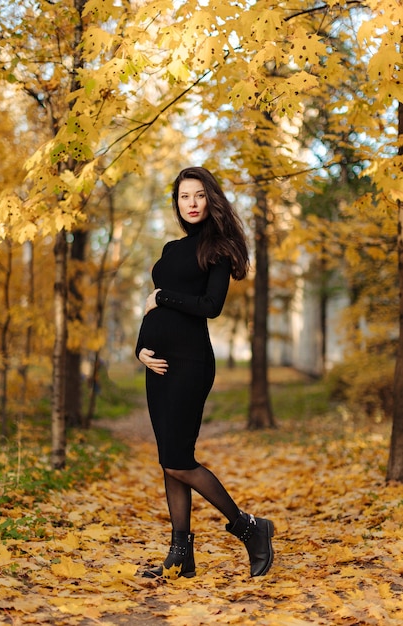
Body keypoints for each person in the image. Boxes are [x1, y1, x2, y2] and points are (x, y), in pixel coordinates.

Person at [135, 166, 274, 579]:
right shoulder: (170, 248)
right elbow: (152, 308)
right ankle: (181, 553)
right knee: (168, 459)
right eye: (183, 197)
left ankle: (250, 528)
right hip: (156, 364)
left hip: (191, 364)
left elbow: (209, 306)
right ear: (176, 203)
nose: (191, 203)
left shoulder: (218, 248)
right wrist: (140, 347)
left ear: (210, 199)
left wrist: (162, 295)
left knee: (179, 459)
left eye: (198, 195)